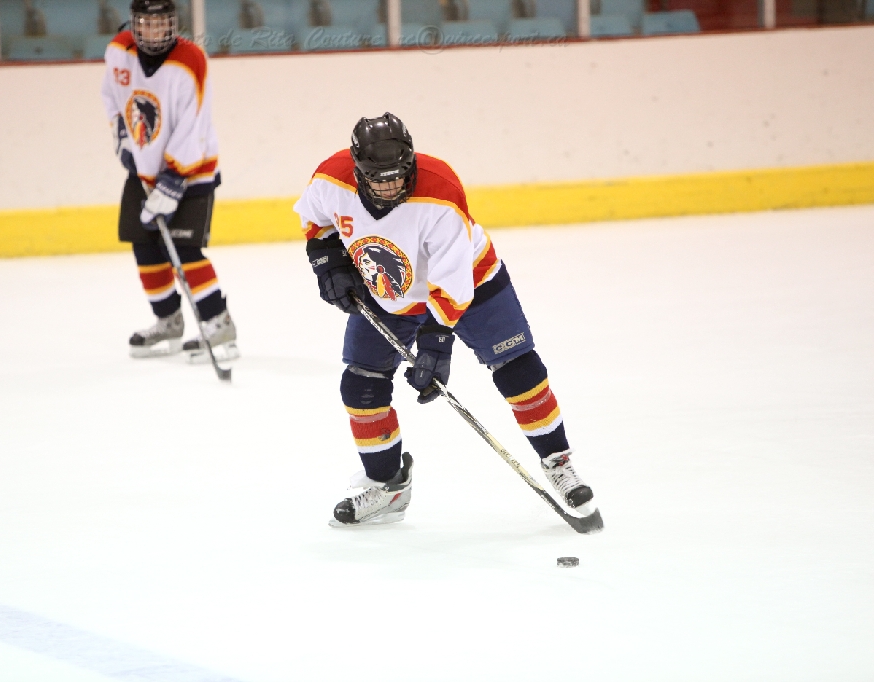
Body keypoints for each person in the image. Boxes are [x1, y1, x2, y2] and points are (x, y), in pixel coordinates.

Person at [293, 113, 596, 526]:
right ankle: (388, 486)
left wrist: (436, 345)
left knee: (518, 370)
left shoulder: (440, 190)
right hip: (389, 290)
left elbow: (452, 281)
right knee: (360, 383)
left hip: (473, 283)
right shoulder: (331, 178)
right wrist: (328, 263)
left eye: (398, 177)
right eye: (379, 179)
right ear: (359, 170)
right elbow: (316, 222)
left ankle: (558, 462)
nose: (390, 187)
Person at [101, 0, 237, 361]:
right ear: (134, 24)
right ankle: (168, 321)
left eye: (161, 23)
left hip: (192, 171)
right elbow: (112, 97)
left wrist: (174, 179)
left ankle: (219, 325)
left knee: (184, 250)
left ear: (173, 24)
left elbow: (195, 123)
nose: (153, 31)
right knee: (144, 246)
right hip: (143, 170)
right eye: (146, 23)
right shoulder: (118, 51)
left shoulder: (190, 59)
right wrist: (121, 135)